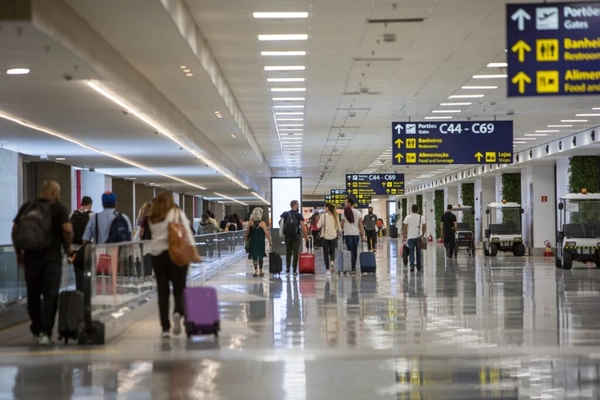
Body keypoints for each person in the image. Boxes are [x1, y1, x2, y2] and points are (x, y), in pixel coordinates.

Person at [11, 180, 74, 345]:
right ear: (54, 193)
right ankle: (45, 333)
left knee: (33, 294)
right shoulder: (58, 208)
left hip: (30, 257)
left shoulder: (27, 207)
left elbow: (15, 230)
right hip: (52, 258)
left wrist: (19, 253)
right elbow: (67, 230)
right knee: (50, 296)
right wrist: (67, 248)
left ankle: (36, 329)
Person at [147, 192, 199, 338]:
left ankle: (165, 328)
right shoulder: (177, 213)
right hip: (177, 254)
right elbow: (188, 233)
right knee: (179, 288)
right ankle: (177, 311)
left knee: (163, 292)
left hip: (158, 256)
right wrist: (193, 251)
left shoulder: (152, 217)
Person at [70, 196, 93, 291]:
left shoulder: (72, 214)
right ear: (90, 205)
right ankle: (87, 294)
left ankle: (79, 293)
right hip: (87, 249)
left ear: (81, 204)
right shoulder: (92, 215)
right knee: (89, 273)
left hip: (75, 249)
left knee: (78, 273)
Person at [280, 200, 309, 275]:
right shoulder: (299, 215)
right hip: (296, 236)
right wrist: (306, 237)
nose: (299, 205)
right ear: (295, 205)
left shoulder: (285, 214)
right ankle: (294, 269)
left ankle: (287, 268)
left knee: (288, 251)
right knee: (295, 252)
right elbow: (302, 227)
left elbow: (280, 223)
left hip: (287, 236)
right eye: (298, 204)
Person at [340, 197, 366, 275]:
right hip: (356, 234)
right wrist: (363, 236)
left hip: (348, 234)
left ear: (349, 203)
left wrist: (339, 230)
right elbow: (360, 225)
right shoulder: (358, 212)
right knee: (354, 250)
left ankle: (351, 266)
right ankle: (353, 267)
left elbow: (342, 224)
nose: (345, 204)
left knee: (350, 250)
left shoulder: (344, 212)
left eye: (345, 202)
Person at [245, 208, 272, 277]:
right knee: (260, 256)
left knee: (254, 256)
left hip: (253, 242)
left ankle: (256, 271)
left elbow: (247, 232)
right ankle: (261, 271)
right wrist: (270, 240)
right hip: (260, 242)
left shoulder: (250, 222)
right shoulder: (262, 223)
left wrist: (245, 239)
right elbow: (266, 233)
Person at [317, 203, 341, 275]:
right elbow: (339, 228)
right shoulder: (335, 216)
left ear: (327, 208)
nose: (324, 208)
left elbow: (318, 226)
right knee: (332, 251)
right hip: (333, 237)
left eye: (325, 207)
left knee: (325, 253)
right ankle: (332, 261)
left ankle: (327, 269)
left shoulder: (323, 216)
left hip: (325, 237)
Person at [402, 204, 426, 272]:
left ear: (411, 210)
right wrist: (423, 234)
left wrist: (404, 237)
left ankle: (412, 266)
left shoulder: (407, 217)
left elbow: (405, 228)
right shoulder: (422, 217)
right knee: (419, 252)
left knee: (411, 252)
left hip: (410, 238)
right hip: (419, 237)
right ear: (418, 209)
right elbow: (424, 227)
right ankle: (419, 267)